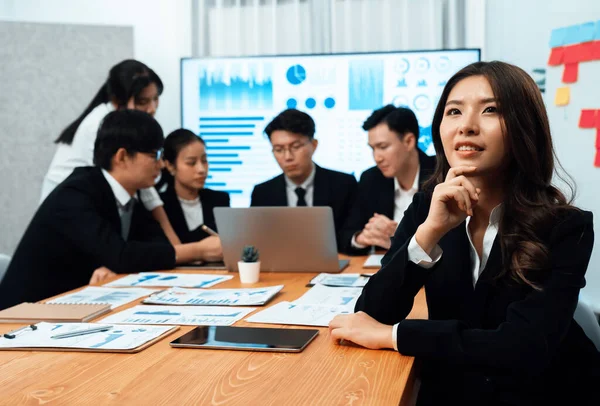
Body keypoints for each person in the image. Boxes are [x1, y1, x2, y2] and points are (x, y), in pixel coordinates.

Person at [329, 61, 600, 405]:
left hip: (543, 392)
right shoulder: (427, 206)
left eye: (490, 110)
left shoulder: (566, 226)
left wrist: (394, 336)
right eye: (453, 111)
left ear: (523, 126)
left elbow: (523, 348)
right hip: (454, 389)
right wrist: (429, 232)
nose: (466, 126)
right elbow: (371, 312)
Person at [0, 110, 222, 310]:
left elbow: (155, 247)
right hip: (24, 313)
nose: (160, 165)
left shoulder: (134, 195)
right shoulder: (76, 192)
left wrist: (114, 263)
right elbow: (121, 255)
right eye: (153, 155)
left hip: (76, 308)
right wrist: (200, 251)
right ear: (122, 157)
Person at [40, 59, 181, 245]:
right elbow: (144, 186)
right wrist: (178, 247)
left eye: (155, 99)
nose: (152, 109)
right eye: (142, 101)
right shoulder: (103, 125)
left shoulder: (118, 121)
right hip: (67, 213)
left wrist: (177, 246)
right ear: (118, 100)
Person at [250, 109, 357, 245]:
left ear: (314, 145)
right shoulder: (262, 193)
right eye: (278, 149)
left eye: (295, 146)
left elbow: (349, 235)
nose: (287, 157)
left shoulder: (344, 185)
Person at [340, 105, 436, 254]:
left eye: (383, 147)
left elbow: (453, 241)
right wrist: (362, 238)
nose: (377, 157)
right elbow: (346, 233)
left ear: (409, 141)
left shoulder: (440, 173)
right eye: (372, 148)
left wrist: (400, 234)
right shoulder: (371, 179)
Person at [160, 129, 229, 245]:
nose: (201, 169)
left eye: (204, 161)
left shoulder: (220, 200)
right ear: (170, 166)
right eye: (191, 163)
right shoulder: (160, 206)